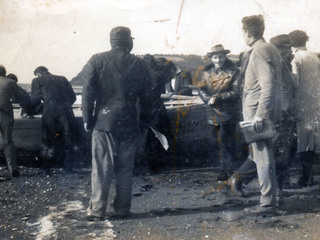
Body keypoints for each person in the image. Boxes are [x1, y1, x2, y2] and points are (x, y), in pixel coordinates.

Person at [75, 26, 153, 221]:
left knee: (101, 167)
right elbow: (147, 98)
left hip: (103, 121)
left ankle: (97, 210)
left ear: (112, 41)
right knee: (126, 168)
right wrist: (143, 123)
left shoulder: (97, 59)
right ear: (129, 42)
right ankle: (123, 209)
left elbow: (88, 92)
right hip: (129, 122)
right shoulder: (139, 63)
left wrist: (87, 118)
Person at [229, 15, 282, 215]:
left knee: (262, 157)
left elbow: (267, 85)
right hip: (268, 111)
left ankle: (267, 203)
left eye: (242, 31)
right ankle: (274, 197)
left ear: (247, 32)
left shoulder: (258, 51)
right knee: (266, 156)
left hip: (258, 114)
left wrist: (260, 114)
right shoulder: (271, 48)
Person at [199, 44, 241, 180]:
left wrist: (218, 97)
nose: (218, 60)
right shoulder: (207, 72)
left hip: (228, 112)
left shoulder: (234, 71)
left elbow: (236, 91)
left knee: (226, 141)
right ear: (211, 58)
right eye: (215, 57)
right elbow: (201, 89)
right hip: (212, 111)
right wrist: (208, 99)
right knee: (214, 142)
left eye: (221, 57)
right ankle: (224, 168)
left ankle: (229, 172)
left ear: (225, 56)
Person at [30, 66, 76, 176]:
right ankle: (68, 169)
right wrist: (64, 106)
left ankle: (46, 169)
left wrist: (40, 107)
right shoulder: (62, 79)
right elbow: (73, 97)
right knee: (67, 140)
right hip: (65, 113)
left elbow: (35, 100)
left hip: (49, 114)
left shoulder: (37, 80)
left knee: (47, 141)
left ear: (38, 74)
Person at [288, 30, 320, 187]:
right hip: (315, 103)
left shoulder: (296, 58)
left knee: (303, 141)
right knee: (311, 141)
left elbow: (295, 82)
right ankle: (308, 176)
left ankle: (306, 177)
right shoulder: (315, 56)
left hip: (301, 104)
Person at [135, 55, 176, 175]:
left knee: (147, 137)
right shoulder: (159, 75)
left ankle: (150, 166)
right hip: (158, 109)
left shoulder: (140, 76)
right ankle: (158, 165)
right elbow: (169, 73)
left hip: (144, 109)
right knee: (160, 136)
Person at [270, 34, 297, 189]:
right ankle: (240, 179)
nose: (289, 51)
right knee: (281, 149)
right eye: (287, 48)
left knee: (285, 148)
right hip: (283, 114)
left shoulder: (285, 63)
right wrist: (289, 112)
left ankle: (282, 181)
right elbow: (283, 91)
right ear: (279, 50)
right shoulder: (280, 64)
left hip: (284, 112)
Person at [0, 66, 31, 177]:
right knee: (8, 141)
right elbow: (24, 96)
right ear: (4, 72)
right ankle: (13, 168)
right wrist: (28, 110)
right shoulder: (10, 82)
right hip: (5, 114)